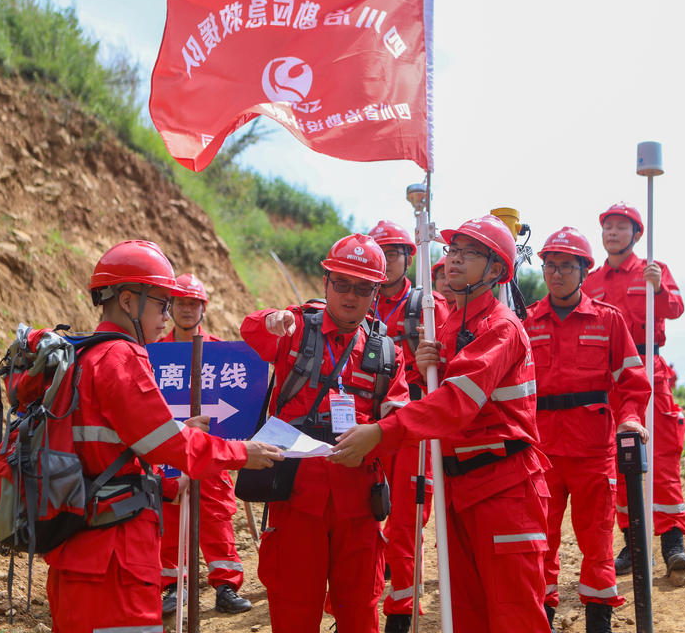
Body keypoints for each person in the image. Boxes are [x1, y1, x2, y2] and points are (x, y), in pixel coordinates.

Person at [43, 240, 282, 633]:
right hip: (114, 556)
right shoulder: (122, 357)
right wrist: (242, 452)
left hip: (76, 551)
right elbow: (171, 447)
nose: (167, 316)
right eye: (160, 303)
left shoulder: (82, 355)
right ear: (127, 300)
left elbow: (113, 447)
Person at [332, 215, 551, 633]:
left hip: (504, 488)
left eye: (469, 254)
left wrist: (381, 433)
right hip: (459, 489)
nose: (453, 261)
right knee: (466, 615)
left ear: (497, 269)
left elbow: (453, 405)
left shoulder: (501, 327)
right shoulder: (450, 324)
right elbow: (432, 394)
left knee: (515, 615)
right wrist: (427, 364)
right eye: (452, 251)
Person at [240, 233, 410, 633]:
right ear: (327, 283)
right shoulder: (296, 327)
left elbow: (399, 423)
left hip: (359, 506)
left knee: (360, 614)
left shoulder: (387, 353)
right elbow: (253, 332)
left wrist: (378, 434)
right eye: (342, 284)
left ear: (376, 292)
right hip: (297, 498)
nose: (351, 296)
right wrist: (271, 320)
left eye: (363, 288)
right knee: (294, 611)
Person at [524, 227, 650, 633]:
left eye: (566, 266)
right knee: (538, 543)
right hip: (540, 452)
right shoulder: (524, 323)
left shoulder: (608, 321)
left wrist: (630, 418)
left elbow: (632, 382)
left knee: (597, 544)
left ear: (584, 270)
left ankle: (599, 623)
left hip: (594, 450)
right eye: (550, 266)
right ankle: (540, 617)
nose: (556, 274)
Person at [582, 203, 685, 576]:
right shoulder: (591, 281)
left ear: (636, 234)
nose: (612, 233)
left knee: (661, 460)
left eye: (620, 227)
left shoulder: (652, 271)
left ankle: (672, 542)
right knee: (615, 463)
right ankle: (633, 544)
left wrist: (658, 288)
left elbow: (676, 308)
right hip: (608, 381)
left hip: (650, 372)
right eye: (607, 227)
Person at [367, 220, 451, 633]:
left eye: (394, 253)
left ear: (408, 257)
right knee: (358, 519)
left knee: (404, 523)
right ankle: (357, 606)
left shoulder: (430, 305)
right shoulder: (354, 299)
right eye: (379, 253)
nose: (385, 262)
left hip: (411, 427)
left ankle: (400, 613)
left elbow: (452, 363)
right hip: (364, 425)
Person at [156, 273, 252, 616]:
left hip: (210, 449)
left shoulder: (220, 354)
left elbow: (236, 404)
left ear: (203, 308)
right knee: (168, 511)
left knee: (215, 514)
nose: (186, 309)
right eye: (180, 302)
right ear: (170, 306)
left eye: (192, 303)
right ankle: (170, 586)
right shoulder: (155, 353)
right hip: (168, 449)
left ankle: (225, 585)